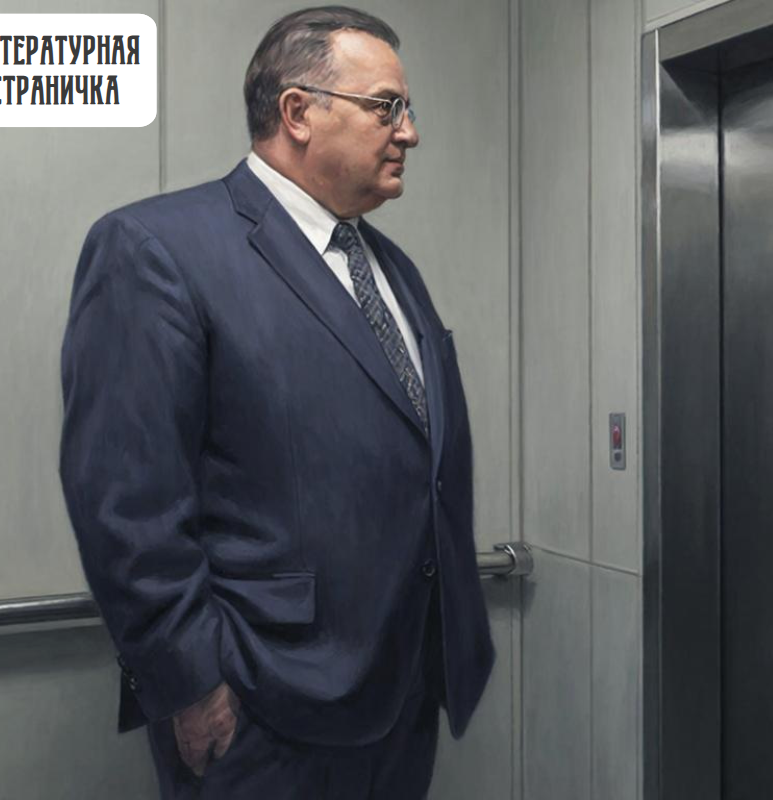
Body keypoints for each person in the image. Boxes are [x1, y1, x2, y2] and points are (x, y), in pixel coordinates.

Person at [58, 7, 494, 797]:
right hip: (260, 711)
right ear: (298, 112)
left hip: (404, 698)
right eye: (387, 107)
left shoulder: (392, 268)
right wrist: (191, 684)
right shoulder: (156, 251)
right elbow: (126, 502)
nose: (410, 131)